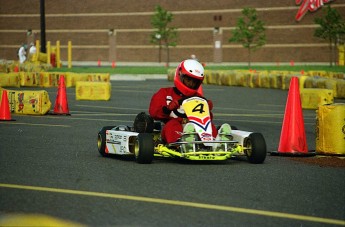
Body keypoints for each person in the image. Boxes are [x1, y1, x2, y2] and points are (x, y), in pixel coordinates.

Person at [149, 59, 231, 144]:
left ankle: (217, 142)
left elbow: (205, 118)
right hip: (170, 128)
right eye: (188, 80)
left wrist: (207, 109)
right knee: (173, 124)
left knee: (209, 125)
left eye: (194, 82)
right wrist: (167, 109)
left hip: (195, 128)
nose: (191, 84)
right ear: (180, 75)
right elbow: (154, 113)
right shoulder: (165, 93)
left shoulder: (198, 98)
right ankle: (181, 143)